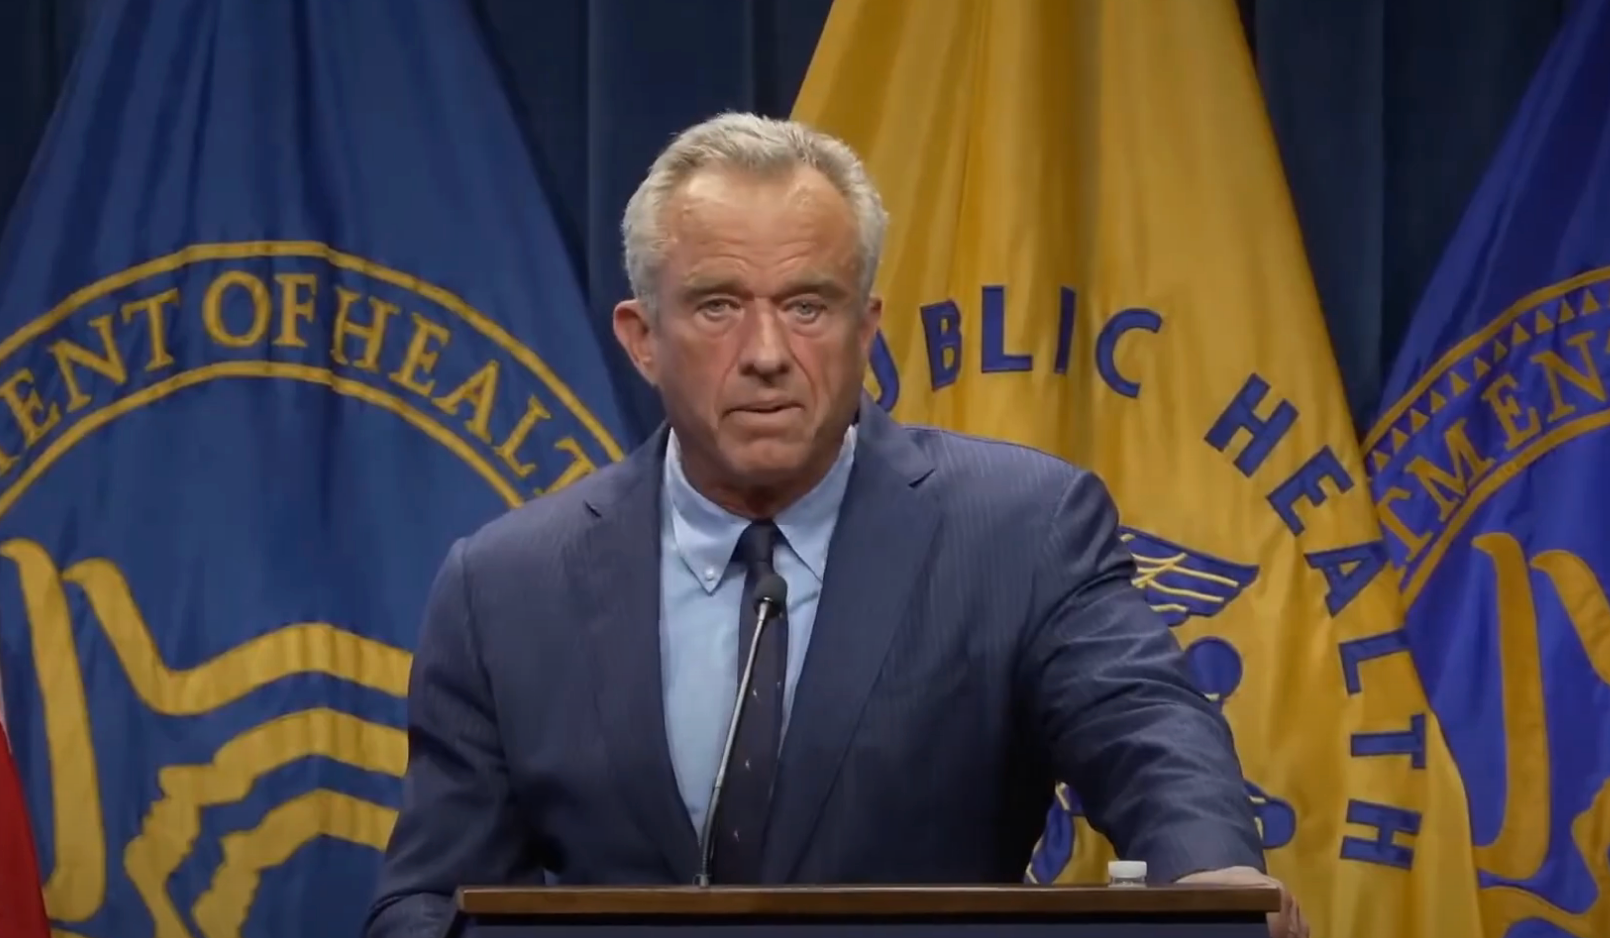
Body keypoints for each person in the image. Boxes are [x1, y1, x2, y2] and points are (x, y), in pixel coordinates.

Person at [365, 112, 1306, 938]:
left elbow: (1147, 730)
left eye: (808, 306)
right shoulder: (504, 587)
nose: (768, 354)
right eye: (719, 306)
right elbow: (427, 902)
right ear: (643, 338)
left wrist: (1210, 876)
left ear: (867, 330)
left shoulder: (1020, 532)